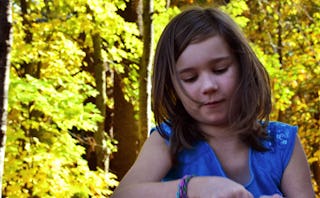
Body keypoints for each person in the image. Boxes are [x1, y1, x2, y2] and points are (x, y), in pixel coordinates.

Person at [111, 7, 315, 198]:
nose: (208, 86)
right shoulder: (167, 140)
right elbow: (124, 194)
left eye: (220, 69)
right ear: (172, 88)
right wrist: (192, 187)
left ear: (243, 67)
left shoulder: (283, 143)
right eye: (190, 78)